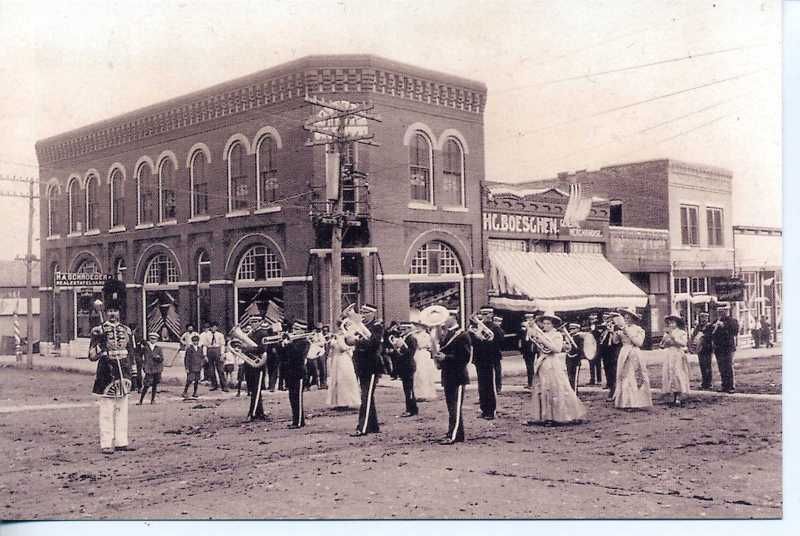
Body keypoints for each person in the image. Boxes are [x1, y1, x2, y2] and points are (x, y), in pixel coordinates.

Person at [88, 300, 136, 455]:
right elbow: (91, 356)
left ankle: (122, 441)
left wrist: (134, 373)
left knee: (123, 409)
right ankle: (106, 443)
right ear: (105, 312)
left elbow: (132, 354)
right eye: (110, 311)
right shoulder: (98, 330)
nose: (113, 314)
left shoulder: (127, 330)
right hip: (106, 372)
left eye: (115, 310)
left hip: (124, 372)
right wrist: (100, 344)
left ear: (119, 313)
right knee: (107, 410)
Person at [527, 312, 586, 424]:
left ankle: (557, 416)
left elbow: (557, 349)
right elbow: (537, 345)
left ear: (553, 325)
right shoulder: (543, 333)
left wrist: (542, 339)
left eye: (548, 323)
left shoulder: (557, 335)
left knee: (554, 388)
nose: (545, 326)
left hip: (552, 363)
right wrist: (532, 331)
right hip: (543, 363)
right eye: (544, 324)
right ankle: (544, 416)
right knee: (543, 388)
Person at [434, 314, 472, 444]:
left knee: (455, 407)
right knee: (451, 407)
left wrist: (446, 358)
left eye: (446, 317)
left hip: (458, 376)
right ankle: (454, 432)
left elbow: (465, 358)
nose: (443, 320)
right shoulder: (448, 334)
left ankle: (454, 435)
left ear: (453, 318)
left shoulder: (462, 335)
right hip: (448, 375)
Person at [352, 304, 385, 437]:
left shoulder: (377, 327)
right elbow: (350, 340)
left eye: (366, 312)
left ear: (372, 314)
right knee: (368, 397)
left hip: (371, 365)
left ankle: (363, 427)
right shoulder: (360, 326)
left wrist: (357, 342)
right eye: (361, 312)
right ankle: (373, 426)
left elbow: (373, 344)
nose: (363, 314)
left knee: (365, 397)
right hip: (361, 365)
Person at [612, 308, 653, 410]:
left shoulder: (639, 329)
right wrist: (615, 333)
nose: (626, 319)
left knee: (634, 376)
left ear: (633, 319)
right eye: (625, 318)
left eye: (628, 318)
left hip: (634, 353)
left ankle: (636, 402)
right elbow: (615, 342)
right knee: (623, 376)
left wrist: (626, 330)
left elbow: (639, 343)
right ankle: (625, 402)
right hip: (624, 352)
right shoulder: (621, 328)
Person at [469, 306, 499, 420]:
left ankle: (491, 411)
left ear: (491, 315)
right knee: (482, 386)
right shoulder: (477, 327)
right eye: (482, 314)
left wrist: (483, 338)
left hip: (490, 359)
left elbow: (499, 341)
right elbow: (472, 342)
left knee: (490, 385)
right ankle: (483, 409)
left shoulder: (495, 327)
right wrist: (475, 335)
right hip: (479, 359)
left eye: (487, 314)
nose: (484, 316)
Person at [326, 321, 361, 409]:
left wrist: (337, 342)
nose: (340, 329)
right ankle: (339, 402)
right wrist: (334, 341)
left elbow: (343, 347)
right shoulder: (340, 335)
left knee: (344, 379)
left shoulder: (347, 335)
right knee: (337, 379)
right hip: (338, 359)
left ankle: (345, 402)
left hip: (344, 359)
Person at [285, 320, 311, 428]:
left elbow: (298, 356)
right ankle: (295, 420)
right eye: (293, 329)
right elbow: (284, 356)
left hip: (299, 372)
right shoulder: (293, 342)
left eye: (296, 329)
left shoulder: (305, 342)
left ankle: (300, 422)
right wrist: (282, 345)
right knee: (292, 397)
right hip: (290, 372)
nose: (293, 331)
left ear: (302, 331)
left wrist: (289, 344)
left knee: (297, 398)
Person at [660, 314, 691, 406]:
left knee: (678, 373)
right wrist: (664, 343)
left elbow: (683, 343)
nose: (671, 324)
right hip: (669, 354)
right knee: (669, 373)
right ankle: (672, 395)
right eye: (669, 322)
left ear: (677, 323)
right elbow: (662, 345)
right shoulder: (667, 333)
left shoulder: (681, 332)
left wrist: (674, 338)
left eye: (673, 322)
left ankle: (679, 395)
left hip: (678, 354)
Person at [390, 323, 418, 417]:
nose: (403, 330)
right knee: (407, 389)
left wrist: (402, 347)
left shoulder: (411, 339)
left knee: (409, 389)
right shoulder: (406, 338)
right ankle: (411, 408)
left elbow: (410, 353)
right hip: (404, 366)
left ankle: (411, 409)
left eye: (405, 329)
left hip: (408, 366)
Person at [712, 303, 739, 393]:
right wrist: (712, 327)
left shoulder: (732, 321)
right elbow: (711, 333)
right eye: (719, 311)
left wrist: (724, 326)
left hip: (728, 347)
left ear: (727, 311)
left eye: (723, 311)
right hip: (719, 348)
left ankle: (731, 386)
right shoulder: (716, 321)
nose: (721, 313)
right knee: (721, 367)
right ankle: (724, 385)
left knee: (728, 366)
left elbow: (734, 332)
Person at [410, 314, 438, 401]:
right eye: (417, 326)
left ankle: (425, 393)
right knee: (417, 374)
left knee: (423, 373)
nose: (417, 328)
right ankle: (417, 393)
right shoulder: (414, 335)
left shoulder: (426, 335)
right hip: (417, 354)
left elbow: (423, 344)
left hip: (423, 353)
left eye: (419, 326)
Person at [597, 312, 622, 400]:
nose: (610, 319)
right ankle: (611, 387)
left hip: (614, 351)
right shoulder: (606, 327)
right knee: (608, 370)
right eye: (609, 318)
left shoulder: (618, 327)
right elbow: (601, 339)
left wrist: (612, 331)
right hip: (606, 351)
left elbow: (618, 341)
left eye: (612, 318)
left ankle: (614, 391)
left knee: (613, 371)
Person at [201, 321, 228, 392]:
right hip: (210, 351)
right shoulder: (207, 335)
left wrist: (222, 354)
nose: (213, 328)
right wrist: (205, 355)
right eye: (212, 327)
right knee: (211, 370)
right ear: (210, 328)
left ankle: (224, 386)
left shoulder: (220, 335)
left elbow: (222, 345)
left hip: (217, 350)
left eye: (215, 327)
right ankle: (214, 385)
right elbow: (205, 346)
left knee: (220, 370)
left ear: (217, 327)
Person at [138, 333, 164, 405]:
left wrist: (158, 358)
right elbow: (139, 356)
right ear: (149, 339)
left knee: (155, 385)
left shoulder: (158, 348)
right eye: (152, 339)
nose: (153, 340)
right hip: (149, 368)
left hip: (157, 368)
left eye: (154, 339)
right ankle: (141, 400)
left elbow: (162, 358)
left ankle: (153, 400)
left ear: (157, 340)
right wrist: (143, 364)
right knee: (146, 385)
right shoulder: (145, 348)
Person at [691, 312, 715, 390]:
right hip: (700, 348)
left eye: (705, 318)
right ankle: (704, 382)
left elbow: (711, 336)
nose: (703, 319)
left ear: (707, 318)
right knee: (702, 366)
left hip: (707, 348)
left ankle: (709, 383)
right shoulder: (698, 327)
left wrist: (704, 335)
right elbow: (694, 335)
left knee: (708, 365)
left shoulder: (710, 326)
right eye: (702, 317)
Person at [519, 313, 539, 390]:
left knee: (532, 366)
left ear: (534, 320)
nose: (529, 320)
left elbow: (535, 337)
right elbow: (520, 336)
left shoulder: (535, 327)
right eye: (527, 319)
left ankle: (533, 383)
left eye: (531, 319)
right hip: (526, 349)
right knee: (529, 366)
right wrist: (524, 329)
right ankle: (530, 383)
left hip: (533, 348)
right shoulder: (523, 327)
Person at [305, 323, 326, 390]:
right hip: (313, 353)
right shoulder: (313, 334)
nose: (318, 330)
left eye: (320, 329)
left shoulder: (322, 334)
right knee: (314, 369)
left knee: (322, 369)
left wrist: (316, 343)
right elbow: (309, 341)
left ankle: (323, 383)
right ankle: (314, 383)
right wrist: (311, 340)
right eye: (317, 329)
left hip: (321, 353)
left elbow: (323, 343)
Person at [182, 334, 203, 399]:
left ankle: (195, 392)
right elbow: (186, 359)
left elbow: (201, 357)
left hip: (198, 367)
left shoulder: (200, 349)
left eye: (196, 341)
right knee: (189, 380)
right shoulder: (189, 349)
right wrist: (187, 368)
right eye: (194, 341)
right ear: (192, 341)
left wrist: (201, 364)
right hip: (191, 367)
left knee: (196, 380)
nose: (195, 342)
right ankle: (185, 391)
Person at [564, 322, 583, 391]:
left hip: (576, 359)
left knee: (575, 376)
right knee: (569, 376)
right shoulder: (569, 337)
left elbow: (581, 349)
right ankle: (571, 390)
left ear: (578, 329)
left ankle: (575, 391)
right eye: (570, 329)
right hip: (569, 358)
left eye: (573, 329)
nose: (571, 330)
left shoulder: (579, 337)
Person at [586, 313, 603, 385]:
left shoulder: (599, 325)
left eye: (594, 317)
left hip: (597, 346)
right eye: (591, 317)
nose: (592, 319)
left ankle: (599, 380)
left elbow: (599, 335)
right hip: (591, 346)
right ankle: (592, 379)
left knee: (597, 363)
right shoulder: (590, 326)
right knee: (591, 363)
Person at [490, 315, 506, 393]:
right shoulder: (490, 328)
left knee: (497, 371)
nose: (497, 323)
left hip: (496, 353)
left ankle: (498, 387)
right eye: (495, 321)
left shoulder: (500, 330)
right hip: (488, 354)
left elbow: (501, 340)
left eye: (499, 321)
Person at [129, 322, 143, 393]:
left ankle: (139, 386)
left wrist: (141, 355)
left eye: (133, 330)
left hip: (138, 357)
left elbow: (144, 345)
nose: (132, 331)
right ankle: (133, 387)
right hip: (130, 357)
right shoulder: (128, 338)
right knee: (131, 372)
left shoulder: (138, 337)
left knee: (138, 372)